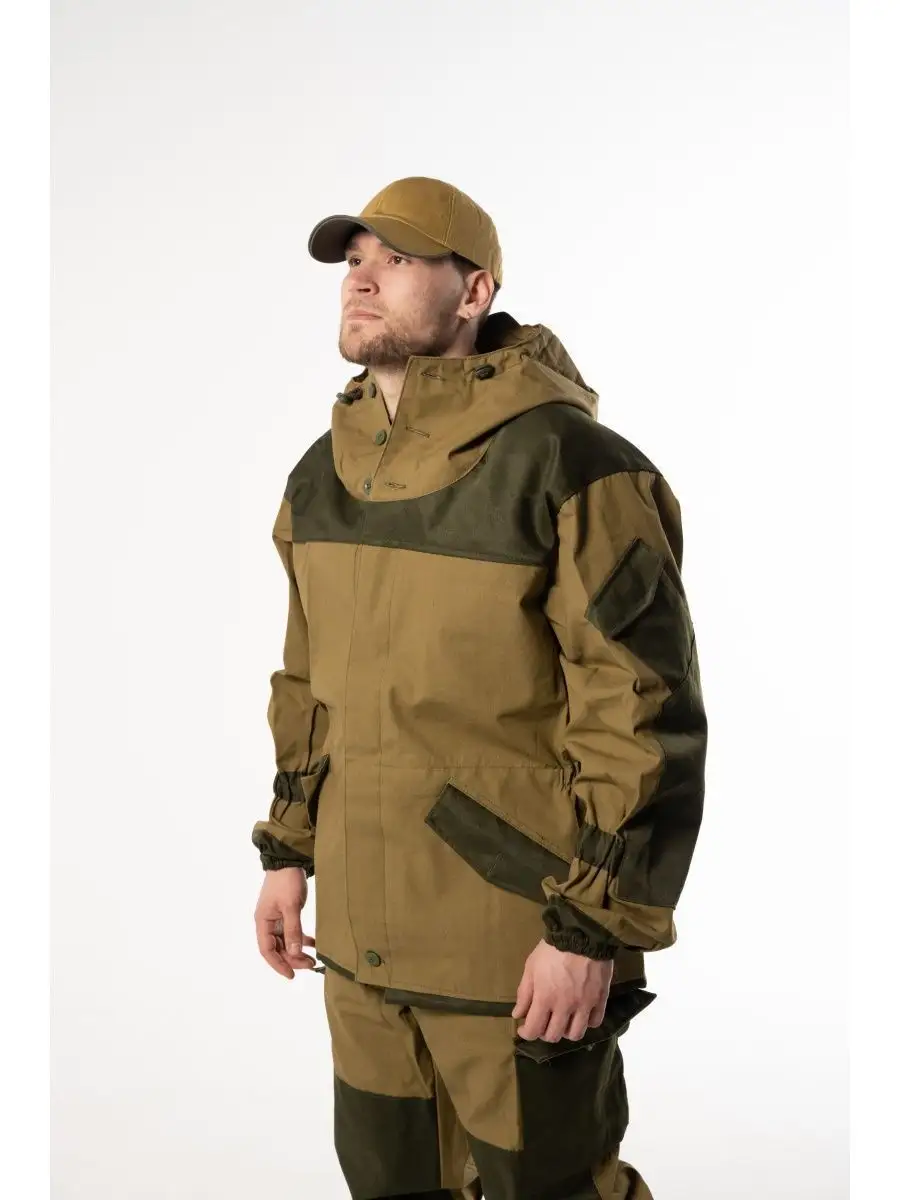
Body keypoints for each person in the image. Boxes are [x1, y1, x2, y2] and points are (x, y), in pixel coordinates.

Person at [251, 175, 707, 1200]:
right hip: (361, 949)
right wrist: (289, 851)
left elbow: (642, 715)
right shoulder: (321, 476)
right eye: (354, 261)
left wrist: (592, 930)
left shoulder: (574, 466)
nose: (362, 279)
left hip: (518, 940)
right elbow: (307, 683)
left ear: (473, 292)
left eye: (397, 260)